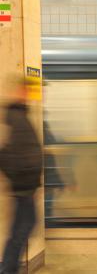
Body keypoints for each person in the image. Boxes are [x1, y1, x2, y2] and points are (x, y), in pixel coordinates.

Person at [0, 77, 43, 274]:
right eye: (26, 90)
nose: (29, 94)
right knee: (21, 228)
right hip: (22, 185)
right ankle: (8, 268)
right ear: (19, 91)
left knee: (24, 226)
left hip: (27, 185)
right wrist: (19, 179)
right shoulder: (14, 117)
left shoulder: (21, 114)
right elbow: (6, 154)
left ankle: (9, 267)